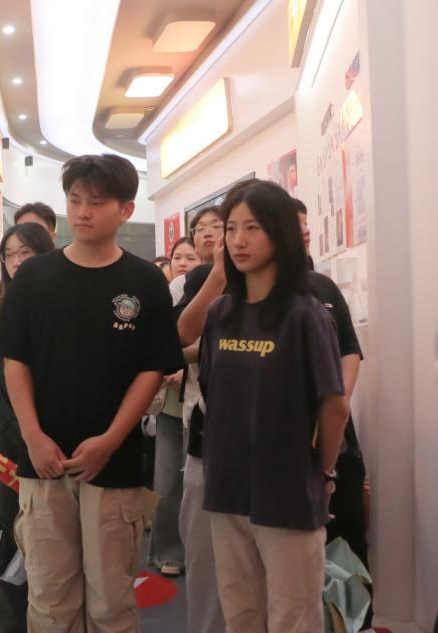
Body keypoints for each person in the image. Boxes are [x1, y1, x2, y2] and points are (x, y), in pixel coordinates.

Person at [0, 154, 183, 633]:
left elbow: (152, 369)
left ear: (125, 210)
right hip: (44, 463)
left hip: (115, 465)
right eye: (75, 200)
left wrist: (112, 439)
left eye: (96, 202)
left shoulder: (145, 282)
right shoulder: (34, 278)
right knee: (50, 602)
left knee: (111, 603)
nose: (82, 212)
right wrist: (32, 436)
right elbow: (15, 361)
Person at [198, 179, 350, 633]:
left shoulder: (306, 314)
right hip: (226, 488)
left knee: (293, 617)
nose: (238, 240)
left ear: (280, 233)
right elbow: (213, 391)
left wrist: (325, 472)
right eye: (231, 228)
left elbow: (334, 406)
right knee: (241, 614)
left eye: (253, 228)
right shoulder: (220, 313)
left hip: (287, 492)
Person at [296, 198, 372, 629]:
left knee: (348, 538)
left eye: (306, 223)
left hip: (338, 441)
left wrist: (334, 407)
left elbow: (350, 351)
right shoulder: (241, 297)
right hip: (284, 453)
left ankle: (356, 620)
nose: (305, 231)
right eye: (295, 224)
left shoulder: (322, 288)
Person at [0, 222, 55, 633]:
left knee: (54, 540)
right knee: (11, 539)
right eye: (10, 254)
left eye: (27, 252)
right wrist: (26, 434)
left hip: (56, 444)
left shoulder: (62, 314)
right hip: (8, 445)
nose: (18, 261)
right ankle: (11, 623)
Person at [174, 205, 228, 633]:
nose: (213, 236)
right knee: (205, 548)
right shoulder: (196, 282)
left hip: (269, 448)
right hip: (203, 423)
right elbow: (177, 339)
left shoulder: (300, 298)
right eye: (203, 229)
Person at [147, 236, 199, 578]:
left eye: (189, 257)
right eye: (178, 257)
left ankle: (197, 552)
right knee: (167, 481)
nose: (183, 263)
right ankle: (167, 551)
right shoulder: (168, 294)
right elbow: (160, 340)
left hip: (203, 405)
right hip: (170, 405)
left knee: (197, 483)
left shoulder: (218, 289)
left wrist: (186, 366)